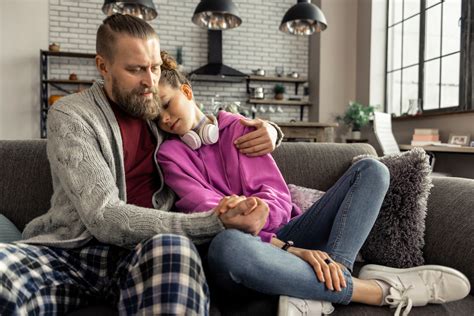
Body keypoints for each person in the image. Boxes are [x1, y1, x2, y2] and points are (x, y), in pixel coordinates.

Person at [0, 14, 283, 315]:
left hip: (147, 250)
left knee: (176, 252)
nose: (150, 81)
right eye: (135, 70)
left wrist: (273, 130)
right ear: (103, 66)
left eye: (155, 68)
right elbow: (103, 216)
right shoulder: (71, 115)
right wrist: (212, 222)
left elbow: (209, 122)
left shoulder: (160, 112)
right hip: (72, 252)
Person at [155, 53, 471, 316]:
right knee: (229, 246)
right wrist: (289, 250)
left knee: (373, 169)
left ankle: (330, 279)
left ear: (186, 91)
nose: (165, 120)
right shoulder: (169, 156)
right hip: (253, 250)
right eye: (157, 118)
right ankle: (374, 290)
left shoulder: (241, 128)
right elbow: (211, 216)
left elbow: (275, 194)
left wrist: (267, 217)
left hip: (290, 231)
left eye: (167, 105)